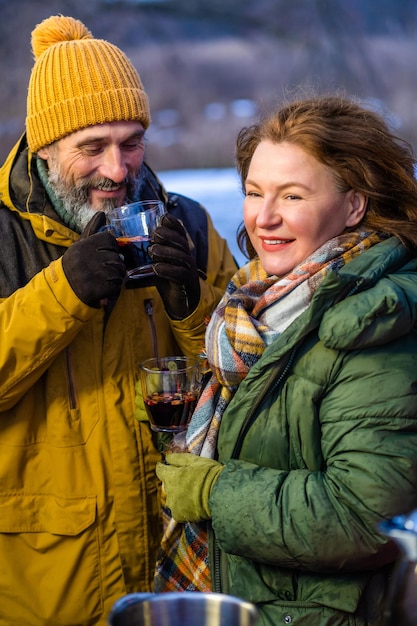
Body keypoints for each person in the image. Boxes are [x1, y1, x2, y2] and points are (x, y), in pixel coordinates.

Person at [0, 14, 237, 626]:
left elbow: (252, 377)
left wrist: (190, 303)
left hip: (179, 563)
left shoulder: (185, 221)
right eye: (91, 146)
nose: (117, 167)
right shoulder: (2, 241)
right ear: (43, 145)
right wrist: (63, 293)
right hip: (44, 584)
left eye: (132, 141)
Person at [156, 94, 417, 626]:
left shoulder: (372, 324)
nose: (264, 218)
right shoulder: (257, 302)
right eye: (254, 193)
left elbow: (370, 518)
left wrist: (214, 490)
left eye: (293, 195)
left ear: (353, 206)